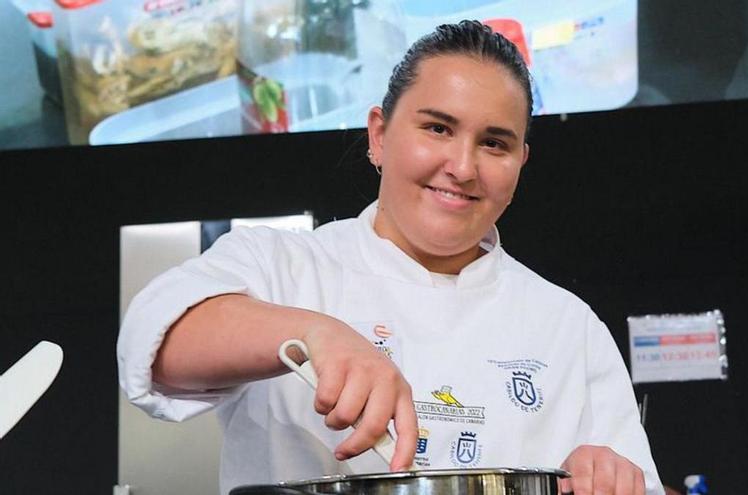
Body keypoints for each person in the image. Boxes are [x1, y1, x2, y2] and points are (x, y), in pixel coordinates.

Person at [117, 20, 663, 495]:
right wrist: (314, 333)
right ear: (379, 136)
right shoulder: (283, 266)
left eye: (494, 143)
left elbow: (631, 479)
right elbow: (153, 340)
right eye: (437, 128)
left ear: (520, 163)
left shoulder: (567, 325)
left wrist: (604, 474)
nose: (463, 167)